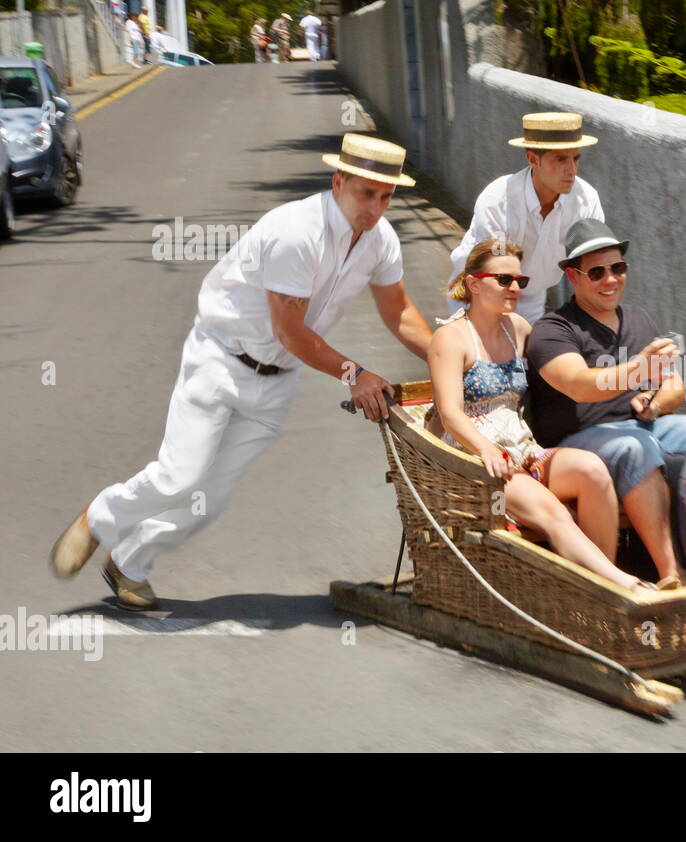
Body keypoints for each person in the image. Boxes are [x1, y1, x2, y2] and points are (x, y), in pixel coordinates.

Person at [48, 134, 436, 610]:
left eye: (385, 196)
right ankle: (98, 518)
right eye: (365, 192)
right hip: (219, 361)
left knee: (206, 501)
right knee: (177, 477)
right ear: (339, 182)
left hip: (276, 383)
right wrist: (355, 374)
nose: (375, 207)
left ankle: (128, 562)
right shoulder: (298, 231)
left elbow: (398, 311)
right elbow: (290, 330)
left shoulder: (380, 241)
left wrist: (454, 359)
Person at [526, 220, 686, 589]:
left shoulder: (639, 318)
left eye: (618, 268)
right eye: (597, 272)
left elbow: (675, 385)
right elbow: (580, 385)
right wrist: (636, 371)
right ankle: (672, 574)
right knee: (636, 447)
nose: (610, 279)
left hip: (642, 426)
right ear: (572, 276)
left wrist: (656, 404)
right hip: (578, 440)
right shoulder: (553, 329)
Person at [426, 239, 654, 592]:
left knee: (592, 470)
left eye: (520, 281)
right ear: (473, 283)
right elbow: (450, 413)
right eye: (503, 280)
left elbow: (563, 372)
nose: (515, 288)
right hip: (475, 459)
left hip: (523, 448)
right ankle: (624, 587)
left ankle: (599, 587)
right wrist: (486, 450)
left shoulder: (516, 328)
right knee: (555, 513)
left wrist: (621, 382)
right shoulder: (449, 338)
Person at [446, 112, 602, 325]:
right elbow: (493, 274)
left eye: (576, 158)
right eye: (561, 159)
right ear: (532, 159)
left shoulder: (587, 199)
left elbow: (592, 265)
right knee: (482, 356)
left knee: (531, 354)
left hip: (533, 296)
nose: (572, 170)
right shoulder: (497, 200)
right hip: (478, 293)